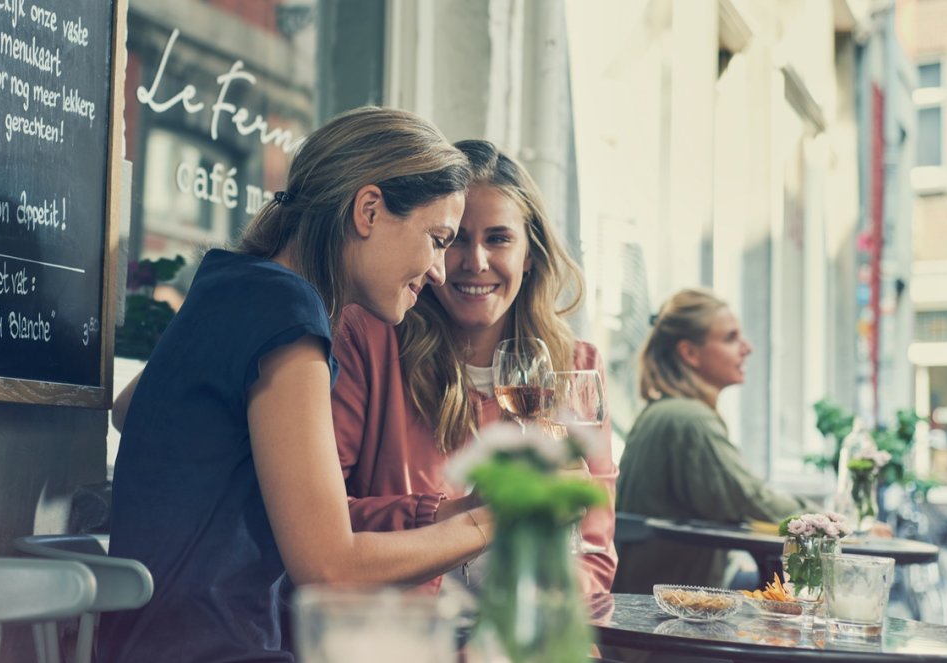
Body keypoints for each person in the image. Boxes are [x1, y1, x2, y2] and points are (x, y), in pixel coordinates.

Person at [99, 106, 494, 663]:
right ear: (369, 209)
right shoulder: (288, 313)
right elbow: (329, 567)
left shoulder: (235, 284)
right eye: (437, 238)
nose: (439, 271)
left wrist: (464, 513)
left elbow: (128, 408)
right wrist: (488, 524)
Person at [330, 139, 617, 595]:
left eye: (498, 239)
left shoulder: (576, 367)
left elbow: (593, 553)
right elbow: (325, 523)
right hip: (408, 630)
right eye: (454, 240)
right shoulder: (368, 337)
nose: (474, 262)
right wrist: (461, 514)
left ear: (530, 253)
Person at [612, 288, 815, 593]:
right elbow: (753, 501)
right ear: (690, 353)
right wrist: (826, 522)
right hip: (672, 613)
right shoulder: (689, 420)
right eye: (730, 338)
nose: (747, 348)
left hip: (647, 599)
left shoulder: (664, 412)